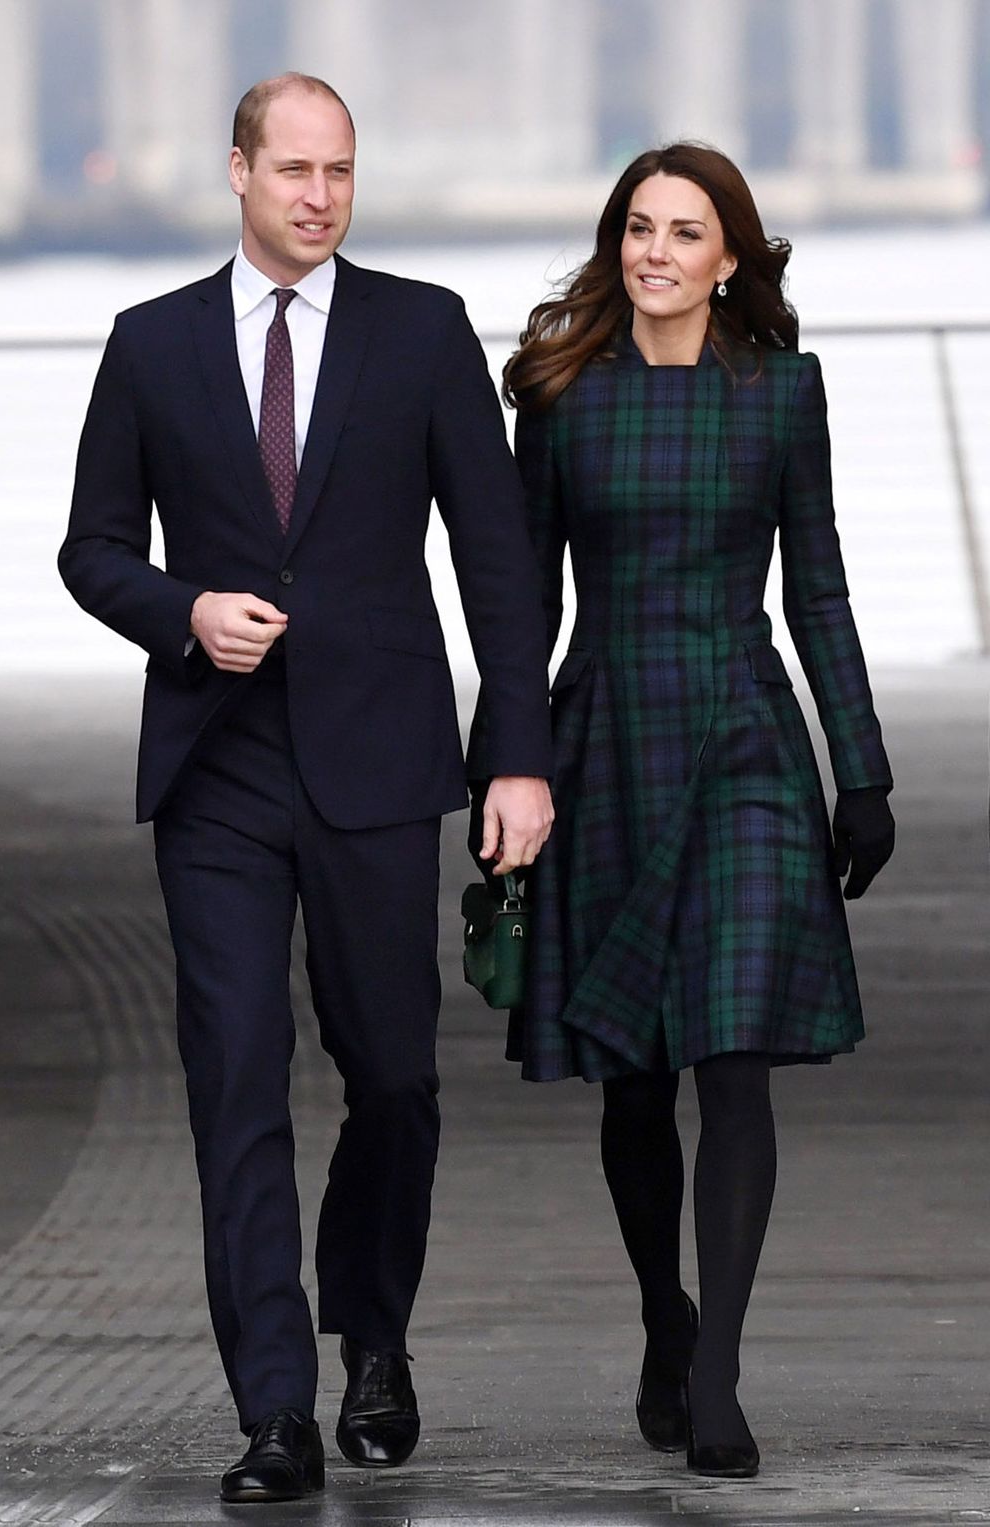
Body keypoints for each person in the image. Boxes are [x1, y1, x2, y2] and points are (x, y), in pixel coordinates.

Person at [60, 72, 554, 1504]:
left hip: (379, 757)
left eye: (340, 170)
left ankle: (374, 1337)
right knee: (235, 1076)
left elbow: (498, 564)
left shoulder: (423, 331)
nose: (320, 196)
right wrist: (184, 613)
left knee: (394, 1075)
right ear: (239, 172)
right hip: (216, 762)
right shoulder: (151, 344)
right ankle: (274, 1407)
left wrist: (517, 754)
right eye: (294, 169)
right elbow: (93, 549)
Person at [486, 143, 895, 1479]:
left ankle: (716, 1375)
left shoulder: (783, 392)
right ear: (618, 245)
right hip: (606, 736)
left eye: (685, 231)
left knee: (733, 1058)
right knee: (636, 1074)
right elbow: (524, 604)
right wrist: (507, 762)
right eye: (639, 228)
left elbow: (819, 587)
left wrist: (862, 770)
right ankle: (667, 1318)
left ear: (730, 259)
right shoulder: (561, 395)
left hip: (744, 741)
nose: (656, 251)